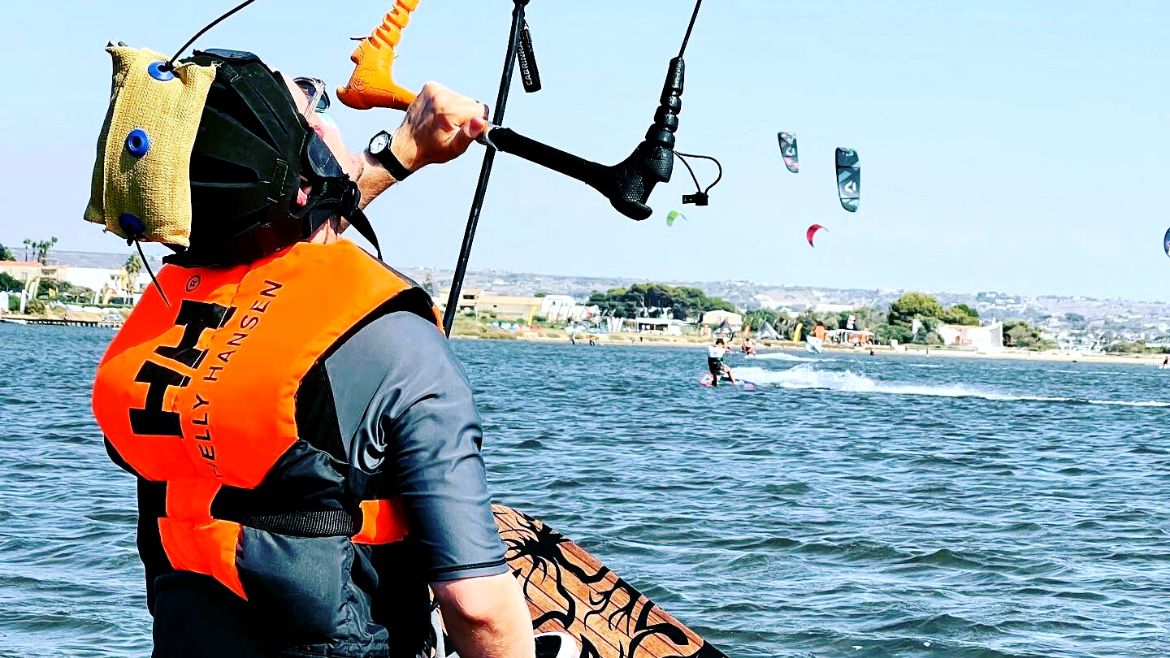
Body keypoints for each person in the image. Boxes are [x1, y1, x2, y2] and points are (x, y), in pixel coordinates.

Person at [87, 47, 533, 658]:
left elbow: (284, 258)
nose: (324, 105)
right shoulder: (395, 346)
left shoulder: (161, 330)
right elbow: (477, 607)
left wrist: (400, 155)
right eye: (311, 101)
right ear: (306, 166)